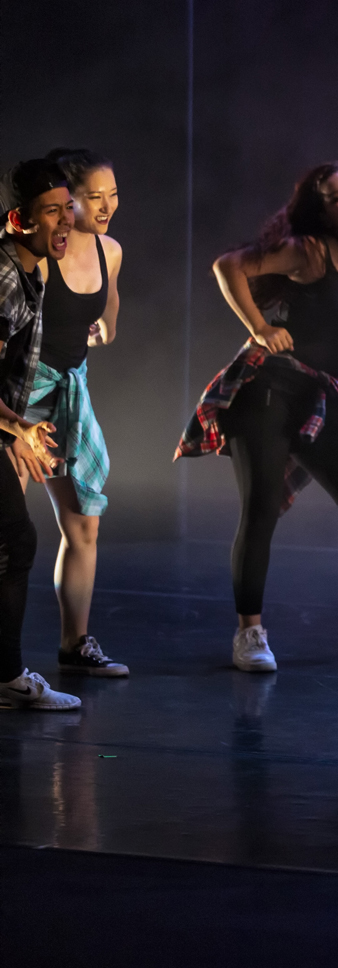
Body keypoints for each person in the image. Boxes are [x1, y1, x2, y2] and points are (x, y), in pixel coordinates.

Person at [178, 162, 338, 671]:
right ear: (323, 213)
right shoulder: (309, 252)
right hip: (267, 388)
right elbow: (228, 266)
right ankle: (249, 634)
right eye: (337, 197)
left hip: (318, 398)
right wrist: (258, 328)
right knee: (262, 508)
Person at [18, 149, 125, 678]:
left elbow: (109, 301)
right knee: (7, 531)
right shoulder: (34, 255)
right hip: (19, 401)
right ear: (63, 202)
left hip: (67, 395)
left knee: (83, 525)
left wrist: (106, 325)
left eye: (112, 195)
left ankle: (75, 644)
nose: (106, 206)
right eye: (92, 197)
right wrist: (16, 426)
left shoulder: (110, 251)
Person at [0, 159, 78, 709]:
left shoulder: (31, 267)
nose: (66, 220)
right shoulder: (6, 276)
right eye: (52, 211)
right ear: (21, 219)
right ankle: (7, 679)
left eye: (67, 208)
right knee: (18, 540)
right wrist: (17, 428)